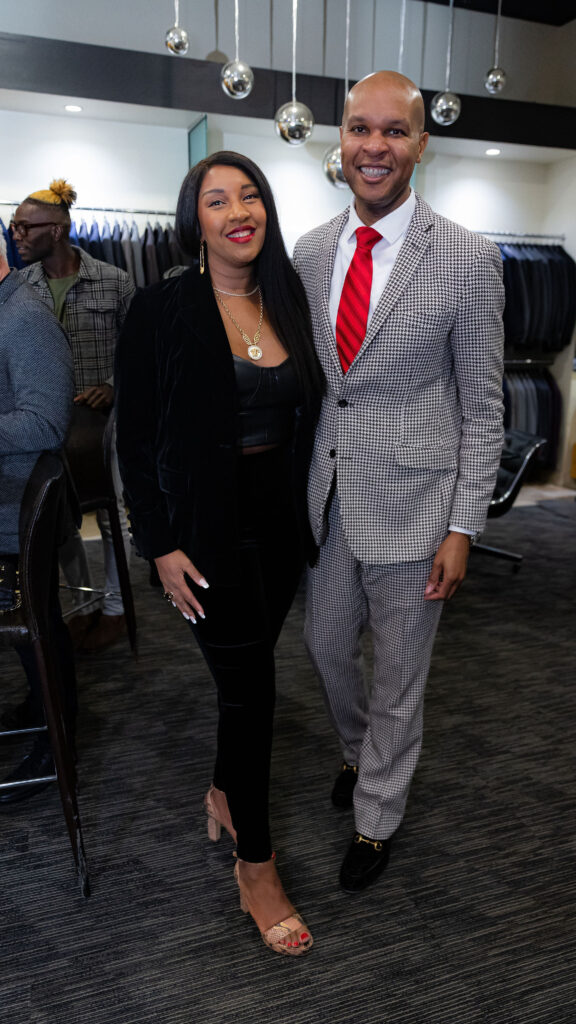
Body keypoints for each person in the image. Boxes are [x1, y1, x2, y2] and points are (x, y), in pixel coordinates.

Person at [293, 71, 505, 892]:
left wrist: (464, 526)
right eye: (358, 129)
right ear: (339, 140)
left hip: (419, 507)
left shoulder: (468, 257)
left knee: (400, 674)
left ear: (420, 144)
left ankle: (378, 814)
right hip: (327, 495)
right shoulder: (311, 252)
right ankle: (357, 751)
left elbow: (483, 408)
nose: (372, 147)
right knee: (323, 650)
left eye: (392, 131)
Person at [115, 152, 324, 956]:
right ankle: (256, 868)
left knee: (245, 689)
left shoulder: (289, 298)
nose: (239, 210)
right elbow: (134, 441)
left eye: (251, 196)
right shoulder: (160, 308)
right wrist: (157, 541)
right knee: (257, 693)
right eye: (217, 199)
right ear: (193, 220)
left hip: (279, 529)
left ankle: (221, 789)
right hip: (205, 534)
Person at [14, 179, 135, 653]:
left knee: (111, 519)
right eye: (14, 226)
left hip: (103, 427)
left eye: (26, 226)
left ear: (58, 229)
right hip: (43, 424)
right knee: (56, 519)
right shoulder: (19, 287)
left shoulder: (115, 281)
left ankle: (114, 610)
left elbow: (138, 354)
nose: (17, 234)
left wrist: (114, 386)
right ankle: (83, 607)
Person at [0, 231, 77, 804]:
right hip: (8, 503)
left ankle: (57, 732)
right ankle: (40, 707)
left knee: (40, 631)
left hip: (16, 515)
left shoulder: (24, 318)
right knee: (38, 641)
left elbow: (48, 423)